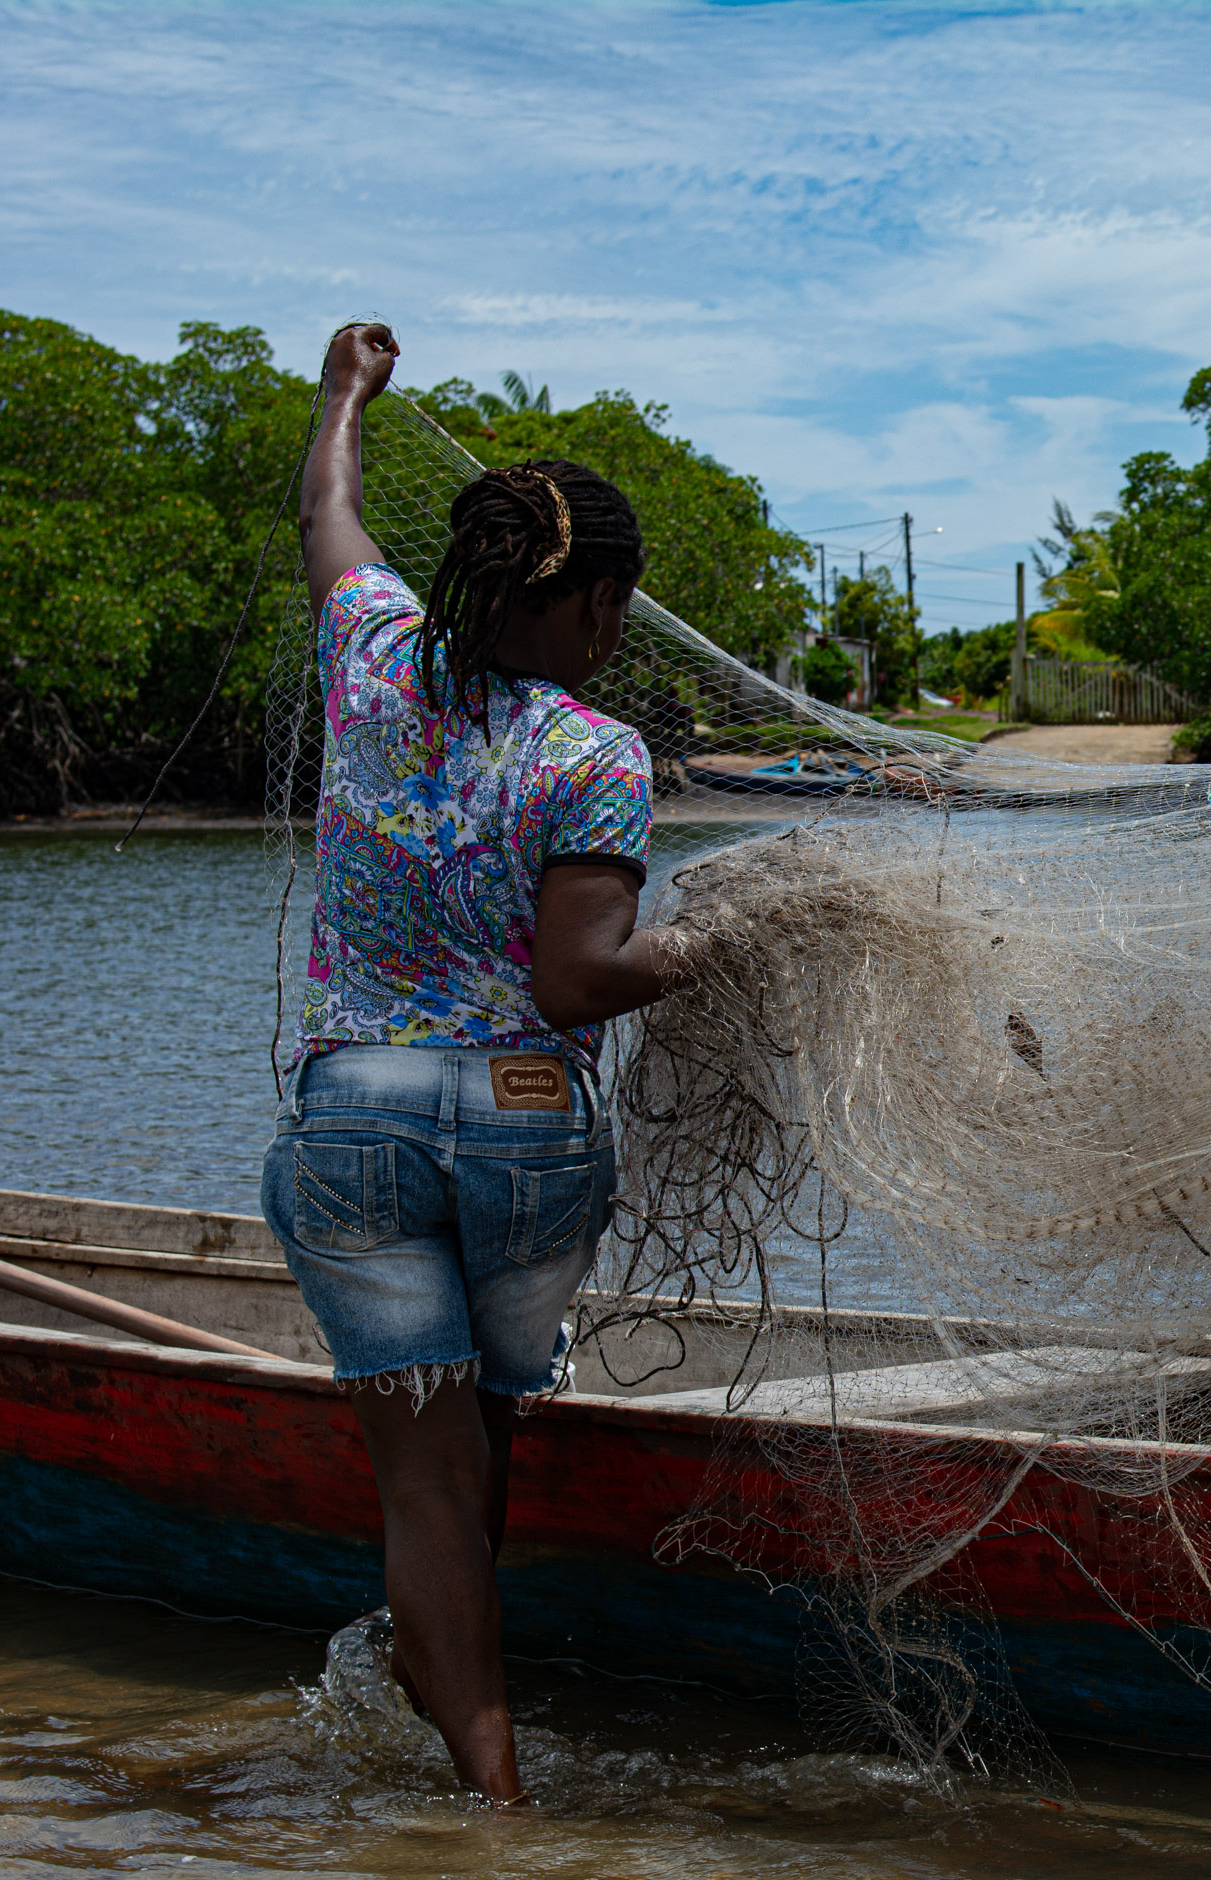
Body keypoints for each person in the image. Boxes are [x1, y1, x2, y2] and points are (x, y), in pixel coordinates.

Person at [264, 323, 690, 1800]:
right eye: (615, 606)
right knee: (478, 1436)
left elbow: (328, 509)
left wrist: (345, 396)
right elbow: (579, 981)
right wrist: (722, 943)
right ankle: (466, 1729)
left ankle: (486, 1787)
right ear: (595, 602)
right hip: (528, 1135)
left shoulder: (372, 655)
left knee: (427, 1475)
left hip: (360, 1125)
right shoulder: (596, 751)